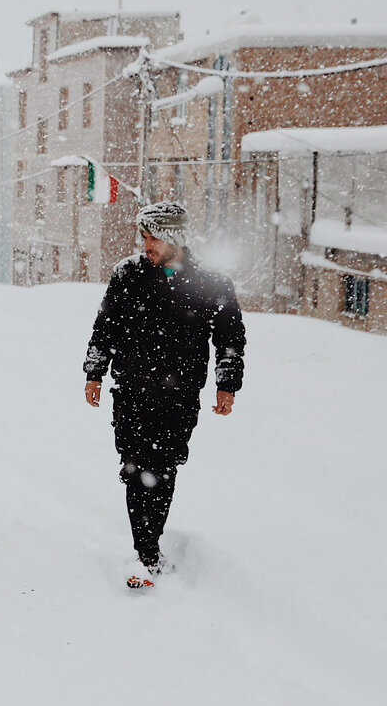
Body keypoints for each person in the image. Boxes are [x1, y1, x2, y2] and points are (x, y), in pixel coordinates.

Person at [83, 201, 245, 588]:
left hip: (180, 396)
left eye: (153, 237)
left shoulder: (211, 280)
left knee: (164, 470)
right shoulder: (128, 274)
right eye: (144, 236)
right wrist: (94, 372)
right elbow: (105, 325)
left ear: (174, 238)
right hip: (132, 392)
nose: (146, 244)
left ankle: (148, 545)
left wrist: (227, 384)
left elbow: (230, 337)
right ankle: (146, 551)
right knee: (135, 469)